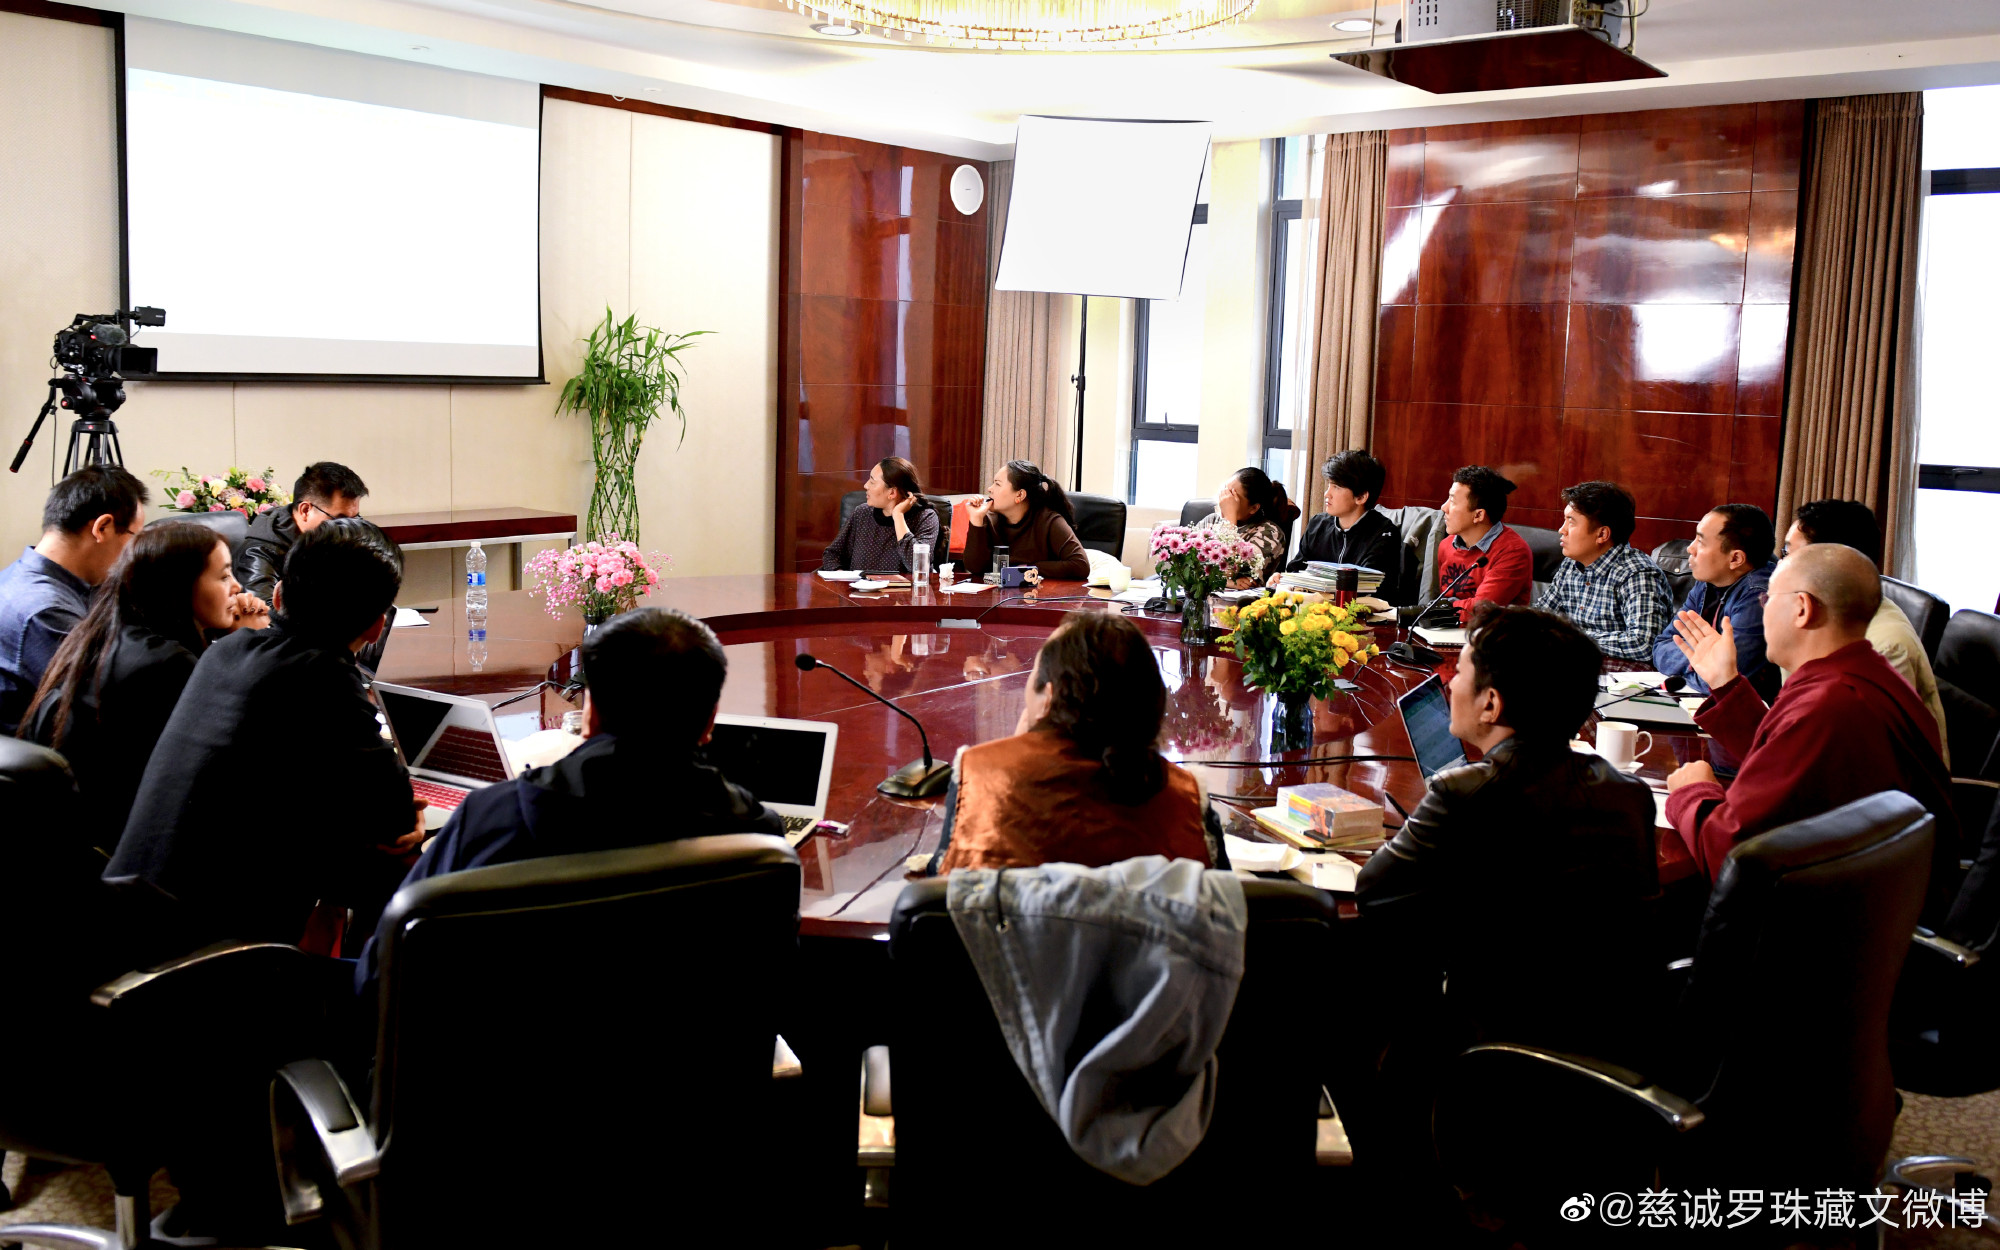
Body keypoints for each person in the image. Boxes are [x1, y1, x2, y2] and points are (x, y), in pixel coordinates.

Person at [357, 607, 785, 987]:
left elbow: (380, 975)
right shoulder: (757, 841)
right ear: (709, 722)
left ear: (590, 713)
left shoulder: (492, 818)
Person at [1357, 605, 1660, 1058]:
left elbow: (1374, 893)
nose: (1448, 684)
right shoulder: (1630, 792)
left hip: (1493, 1052)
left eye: (1459, 672)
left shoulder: (1465, 793)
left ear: (1491, 704)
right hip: (1612, 1039)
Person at [106, 518, 424, 947]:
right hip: (206, 959)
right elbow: (394, 819)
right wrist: (403, 817)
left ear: (276, 596)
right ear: (376, 626)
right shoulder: (326, 678)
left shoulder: (225, 652)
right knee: (407, 872)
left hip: (124, 923)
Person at [1664, 543, 1959, 919]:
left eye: (1768, 599)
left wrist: (1692, 793)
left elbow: (1734, 855)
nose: (1762, 610)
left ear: (1801, 608)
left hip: (1833, 922)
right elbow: (1790, 758)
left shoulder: (1829, 704)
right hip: (1879, 898)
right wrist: (1726, 683)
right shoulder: (1864, 672)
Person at [20, 524, 269, 854]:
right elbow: (235, 757)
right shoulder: (165, 665)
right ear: (178, 586)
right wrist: (250, 644)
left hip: (77, 834)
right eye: (223, 576)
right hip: (124, 847)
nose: (237, 586)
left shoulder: (111, 635)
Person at [930, 611, 1211, 872]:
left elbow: (942, 884)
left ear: (1048, 697)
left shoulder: (979, 775)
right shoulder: (1186, 797)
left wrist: (1015, 754)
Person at [1784, 499, 1950, 766]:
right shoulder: (1823, 614)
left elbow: (1866, 764)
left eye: (1791, 556)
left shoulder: (1886, 648)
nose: (1780, 567)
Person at [0, 467, 149, 734]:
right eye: (134, 538)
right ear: (102, 527)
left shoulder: (16, 576)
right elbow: (109, 703)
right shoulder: (46, 611)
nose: (133, 554)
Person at [1651, 504, 1780, 700]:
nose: (1690, 548)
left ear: (1735, 558)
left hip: (1745, 712)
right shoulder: (1708, 581)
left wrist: (1697, 665)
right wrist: (1702, 661)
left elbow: (1721, 680)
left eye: (1701, 542)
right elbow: (1661, 647)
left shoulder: (1759, 597)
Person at [1536, 480, 1673, 662]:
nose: (1562, 530)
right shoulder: (1571, 564)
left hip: (1622, 674)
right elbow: (1540, 617)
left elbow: (1644, 643)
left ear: (1602, 534)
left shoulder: (1637, 573)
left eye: (1571, 522)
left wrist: (1575, 638)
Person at [1277, 450, 1405, 604]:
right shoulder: (1318, 524)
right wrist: (1281, 580)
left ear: (1361, 497)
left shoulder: (1384, 534)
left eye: (1336, 487)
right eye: (1329, 485)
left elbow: (1370, 590)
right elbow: (1296, 570)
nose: (1327, 494)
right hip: (1313, 609)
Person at [235, 460, 369, 603]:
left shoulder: (339, 541)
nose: (350, 529)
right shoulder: (261, 551)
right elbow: (263, 612)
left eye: (355, 518)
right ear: (305, 510)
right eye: (340, 520)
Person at [960, 460, 1091, 582]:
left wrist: (1026, 568)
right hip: (999, 595)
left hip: (1040, 595)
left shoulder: (1049, 521)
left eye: (997, 484)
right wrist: (976, 519)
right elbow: (975, 568)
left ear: (1020, 495)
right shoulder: (988, 520)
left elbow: (1080, 565)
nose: (990, 488)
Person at [1434, 466, 1533, 621]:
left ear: (1478, 515)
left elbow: (1482, 609)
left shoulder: (1513, 552)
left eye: (1452, 501)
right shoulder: (1446, 546)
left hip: (1493, 633)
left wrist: (1438, 609)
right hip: (1449, 628)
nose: (1443, 508)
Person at [820, 457, 940, 575]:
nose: (866, 485)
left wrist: (898, 516)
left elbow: (919, 567)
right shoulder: (862, 513)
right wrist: (843, 577)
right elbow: (832, 555)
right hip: (859, 588)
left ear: (892, 492)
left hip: (905, 589)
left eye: (872, 482)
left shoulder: (925, 517)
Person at [1189, 466, 1299, 587]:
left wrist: (1230, 520)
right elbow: (1184, 568)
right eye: (1225, 490)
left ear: (1253, 508)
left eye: (1232, 496)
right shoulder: (1212, 521)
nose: (1225, 499)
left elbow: (1228, 572)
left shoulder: (1270, 533)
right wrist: (1228, 583)